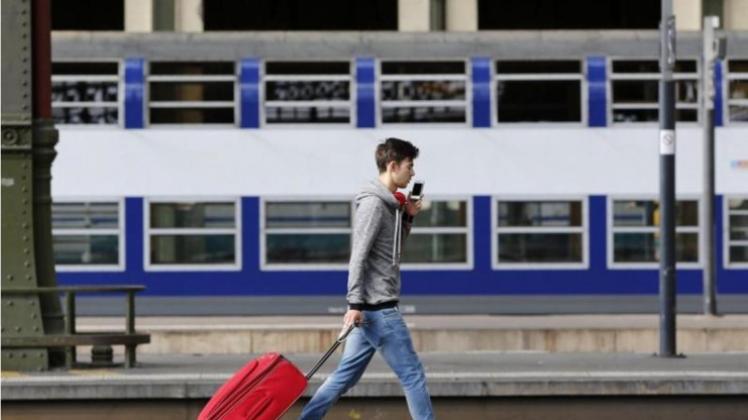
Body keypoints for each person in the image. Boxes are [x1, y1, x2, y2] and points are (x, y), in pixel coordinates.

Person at [300, 138, 434, 419]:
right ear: (393, 165)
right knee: (413, 376)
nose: (413, 174)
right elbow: (358, 255)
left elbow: (391, 252)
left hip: (368, 313)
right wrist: (353, 304)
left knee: (344, 377)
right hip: (379, 309)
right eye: (409, 166)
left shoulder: (391, 206)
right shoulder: (374, 204)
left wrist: (408, 217)